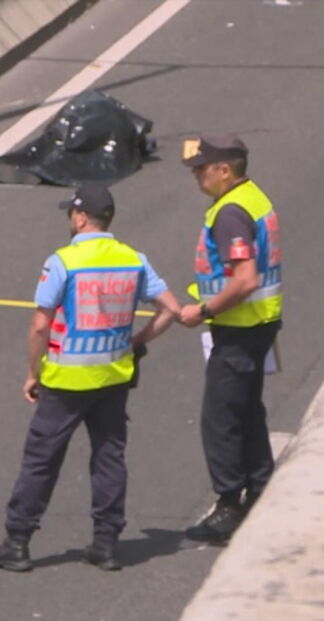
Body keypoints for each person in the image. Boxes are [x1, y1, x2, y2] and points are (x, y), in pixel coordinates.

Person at [0, 184, 179, 572]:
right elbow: (170, 308)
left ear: (82, 218)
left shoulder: (63, 261)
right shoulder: (133, 259)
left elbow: (40, 325)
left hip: (66, 382)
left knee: (41, 460)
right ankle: (106, 543)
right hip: (114, 378)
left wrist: (32, 372)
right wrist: (136, 341)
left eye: (71, 213)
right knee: (109, 458)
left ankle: (17, 541)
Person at [177, 134, 282, 543]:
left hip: (239, 328)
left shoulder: (231, 213)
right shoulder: (253, 196)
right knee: (246, 409)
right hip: (259, 323)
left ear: (224, 170)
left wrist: (204, 310)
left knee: (220, 418)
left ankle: (228, 506)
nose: (197, 176)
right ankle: (260, 487)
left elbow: (245, 279)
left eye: (202, 168)